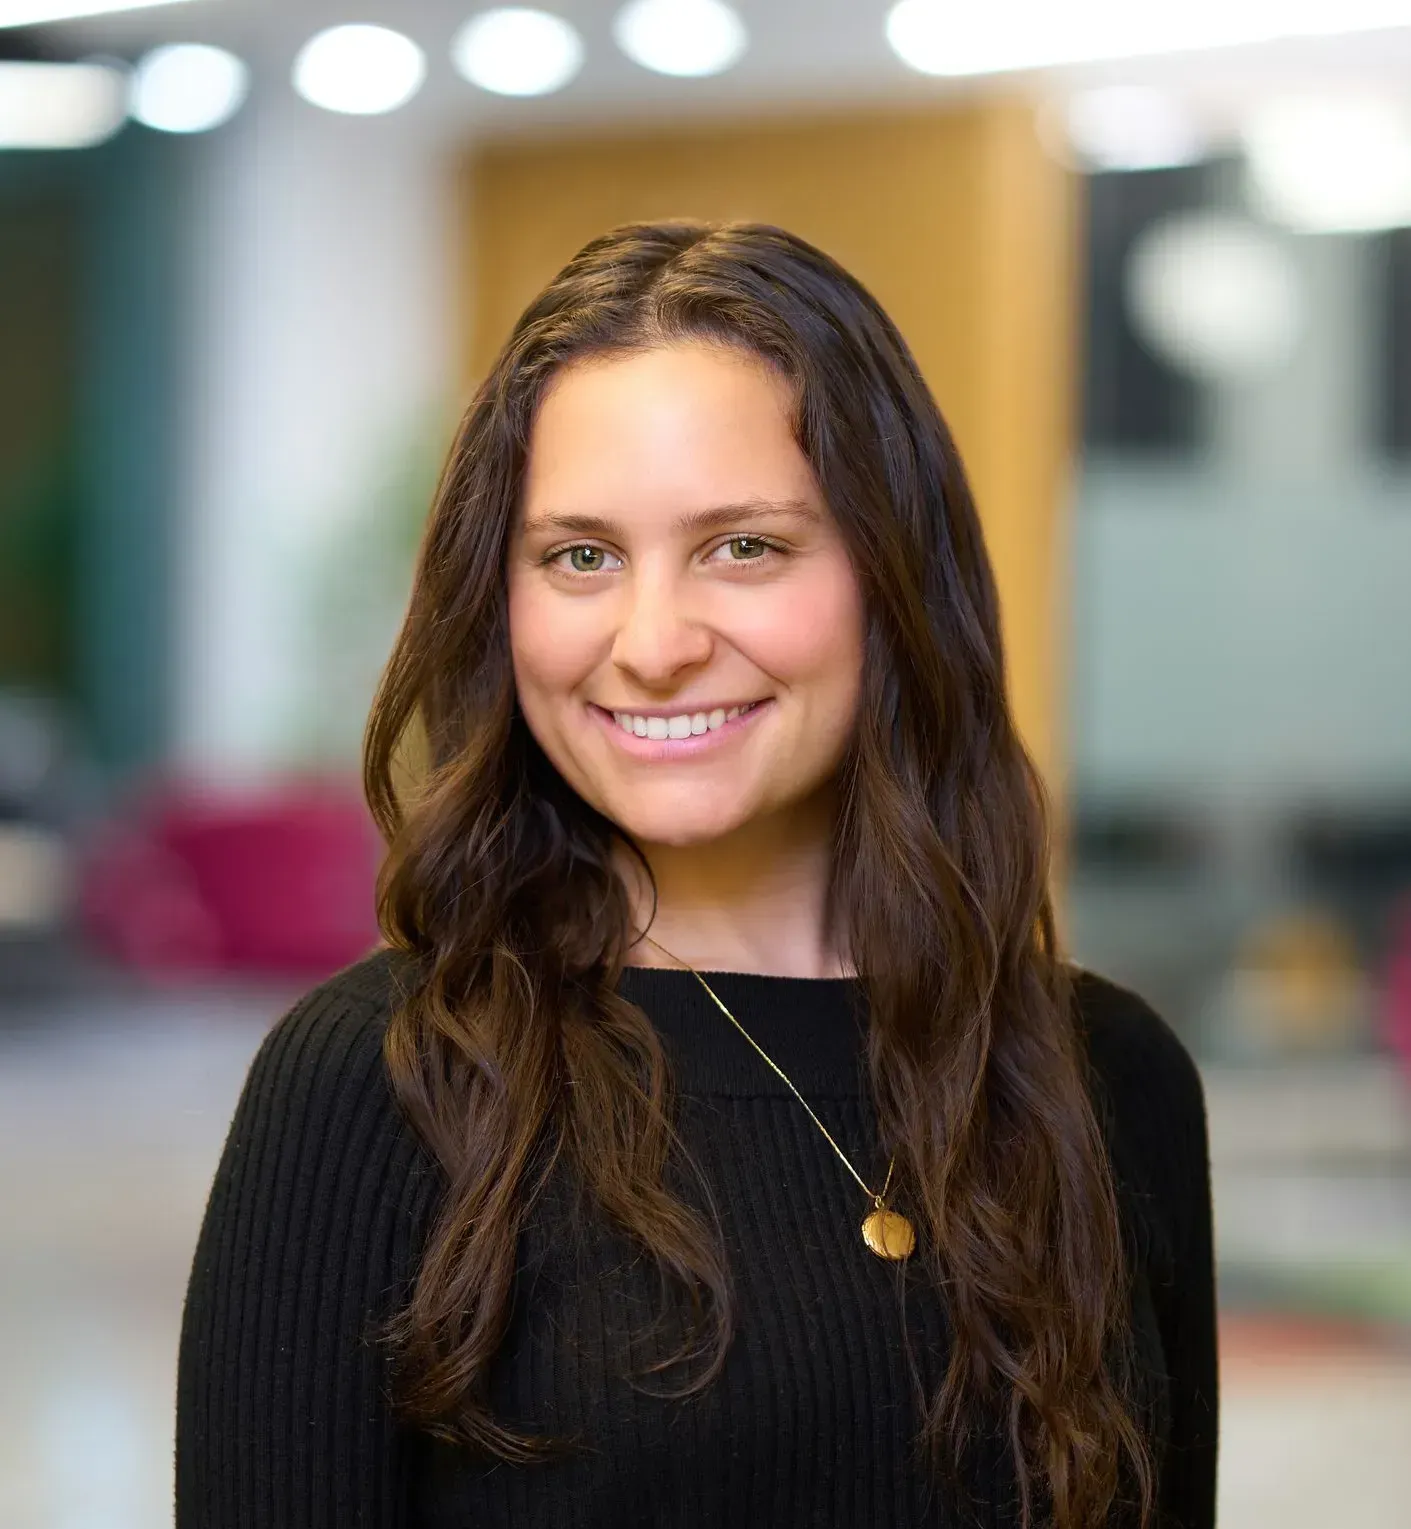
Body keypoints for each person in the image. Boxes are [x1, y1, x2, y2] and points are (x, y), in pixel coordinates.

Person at [175, 221, 1217, 1528]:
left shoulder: (1106, 1074)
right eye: (579, 556)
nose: (653, 643)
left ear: (891, 580)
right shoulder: (378, 1078)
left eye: (743, 546)